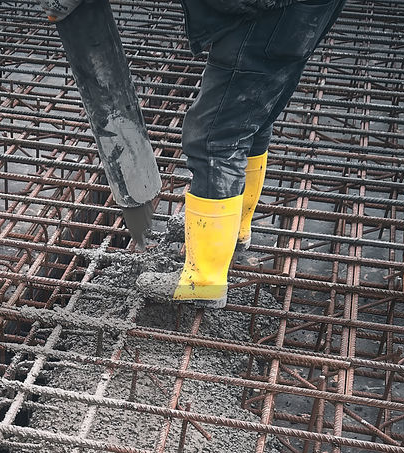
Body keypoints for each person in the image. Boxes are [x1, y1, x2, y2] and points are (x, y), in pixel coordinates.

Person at [142, 0, 346, 307]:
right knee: (252, 118)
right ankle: (233, 230)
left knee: (214, 139)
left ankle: (203, 282)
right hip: (302, 14)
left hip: (270, 14)